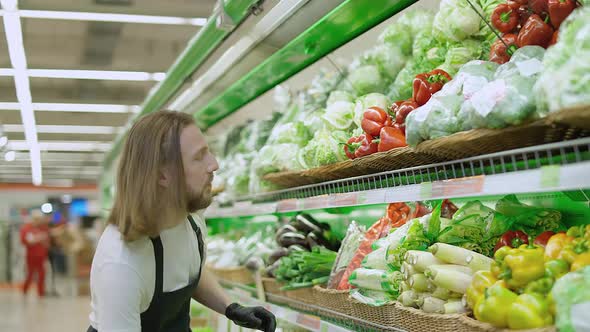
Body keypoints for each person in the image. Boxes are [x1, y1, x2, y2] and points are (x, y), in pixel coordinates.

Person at [88, 111, 276, 332]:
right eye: (199, 157)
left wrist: (231, 308)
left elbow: (187, 271)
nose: (214, 164)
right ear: (162, 175)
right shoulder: (122, 263)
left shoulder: (191, 220)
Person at [20, 209, 50, 297]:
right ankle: (25, 290)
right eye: (36, 219)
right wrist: (38, 239)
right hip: (31, 256)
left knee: (42, 274)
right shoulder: (26, 228)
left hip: (41, 256)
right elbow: (25, 241)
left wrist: (42, 240)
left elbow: (47, 242)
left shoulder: (43, 228)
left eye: (39, 219)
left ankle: (41, 293)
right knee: (30, 274)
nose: (38, 221)